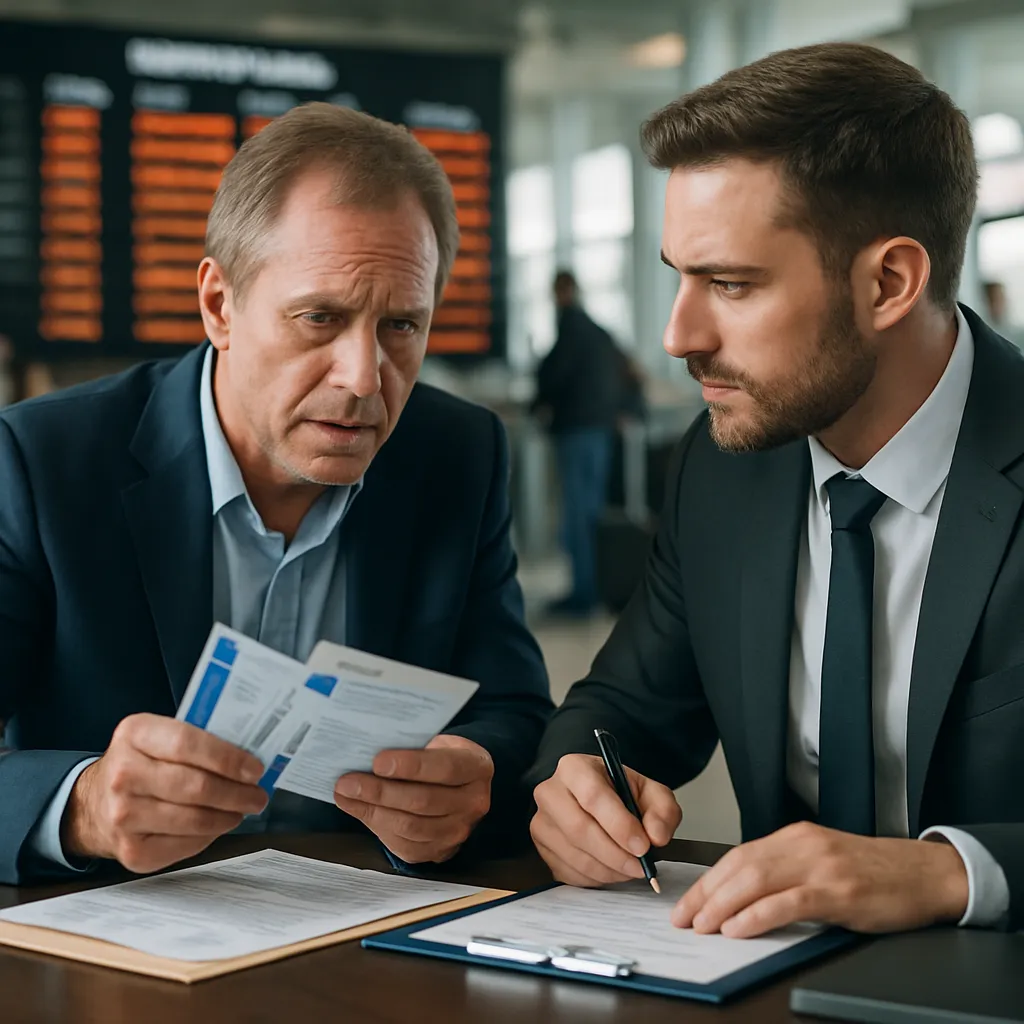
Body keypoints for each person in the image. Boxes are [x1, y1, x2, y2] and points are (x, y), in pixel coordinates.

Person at [529, 43, 1024, 936]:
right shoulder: (723, 466)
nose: (679, 335)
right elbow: (620, 710)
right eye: (679, 275)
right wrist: (578, 788)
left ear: (889, 282)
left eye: (730, 284)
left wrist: (949, 875)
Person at [0, 102, 552, 886]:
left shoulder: (457, 454)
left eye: (401, 326)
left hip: (364, 938)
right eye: (319, 318)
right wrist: (82, 806)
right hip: (120, 942)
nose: (364, 381)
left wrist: (469, 774)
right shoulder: (41, 462)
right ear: (219, 307)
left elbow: (516, 712)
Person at [533, 271, 624, 614]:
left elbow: (553, 376)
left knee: (577, 514)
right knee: (592, 512)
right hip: (599, 431)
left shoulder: (570, 328)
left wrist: (537, 404)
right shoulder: (598, 332)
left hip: (576, 432)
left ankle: (583, 594)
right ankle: (594, 588)